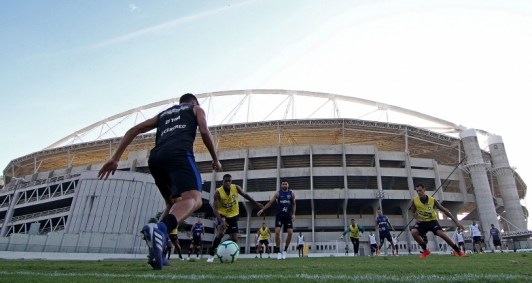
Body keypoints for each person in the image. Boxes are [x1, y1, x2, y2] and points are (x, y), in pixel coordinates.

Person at [97, 93, 221, 270]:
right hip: (179, 153)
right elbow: (204, 131)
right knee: (195, 198)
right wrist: (215, 159)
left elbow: (133, 130)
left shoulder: (163, 114)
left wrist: (116, 157)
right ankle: (162, 230)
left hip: (155, 158)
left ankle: (158, 252)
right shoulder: (196, 109)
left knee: (172, 203)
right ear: (193, 101)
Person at [207, 174, 264, 262]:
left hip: (233, 215)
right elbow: (215, 209)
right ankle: (212, 253)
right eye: (226, 181)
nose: (228, 183)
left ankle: (228, 252)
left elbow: (245, 195)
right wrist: (221, 221)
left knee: (235, 238)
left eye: (229, 181)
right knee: (221, 233)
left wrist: (255, 203)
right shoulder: (218, 193)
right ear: (223, 181)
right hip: (222, 215)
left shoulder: (236, 188)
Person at [410, 184, 465, 258]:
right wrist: (416, 218)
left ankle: (458, 251)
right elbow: (413, 212)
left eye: (420, 190)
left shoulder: (432, 200)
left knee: (441, 234)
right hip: (422, 222)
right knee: (413, 232)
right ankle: (425, 250)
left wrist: (456, 222)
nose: (419, 192)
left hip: (432, 221)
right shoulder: (414, 200)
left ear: (424, 190)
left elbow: (445, 211)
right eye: (417, 191)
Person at [257, 179, 296, 260]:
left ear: (288, 185)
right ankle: (278, 251)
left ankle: (285, 250)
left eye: (286, 184)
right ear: (281, 185)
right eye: (283, 184)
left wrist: (293, 214)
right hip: (279, 215)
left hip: (287, 216)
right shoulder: (278, 193)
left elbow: (294, 204)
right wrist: (262, 209)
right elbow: (270, 203)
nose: (284, 185)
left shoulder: (291, 194)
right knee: (277, 232)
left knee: (290, 233)